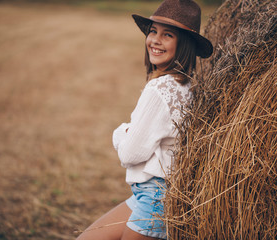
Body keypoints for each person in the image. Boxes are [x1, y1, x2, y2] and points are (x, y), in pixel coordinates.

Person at [76, 0, 212, 239]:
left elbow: (129, 154)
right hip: (156, 195)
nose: (155, 40)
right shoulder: (187, 86)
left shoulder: (159, 89)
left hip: (154, 199)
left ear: (183, 44)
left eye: (167, 35)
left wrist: (119, 133)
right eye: (153, 31)